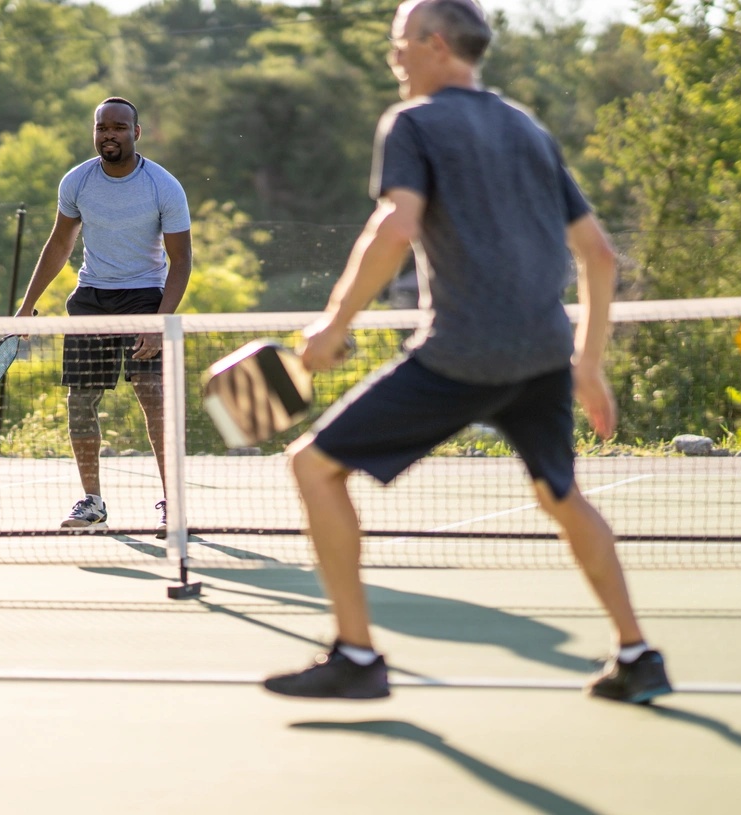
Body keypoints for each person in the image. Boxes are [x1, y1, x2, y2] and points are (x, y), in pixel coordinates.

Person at [263, 0, 672, 704]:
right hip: (543, 352)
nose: (393, 58)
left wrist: (333, 324)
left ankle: (357, 656)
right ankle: (638, 654)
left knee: (315, 466)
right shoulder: (527, 128)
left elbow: (396, 225)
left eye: (399, 44)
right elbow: (600, 257)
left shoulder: (413, 123)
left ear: (435, 43)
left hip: (463, 352)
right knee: (563, 493)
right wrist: (587, 363)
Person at [16, 97, 192, 539]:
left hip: (146, 298)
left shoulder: (162, 186)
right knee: (80, 403)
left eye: (118, 127)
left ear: (136, 132)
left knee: (154, 398)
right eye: (101, 128)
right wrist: (27, 305)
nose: (108, 135)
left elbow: (182, 260)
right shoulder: (77, 181)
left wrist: (158, 321)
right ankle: (92, 502)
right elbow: (59, 246)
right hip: (92, 299)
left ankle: (175, 503)